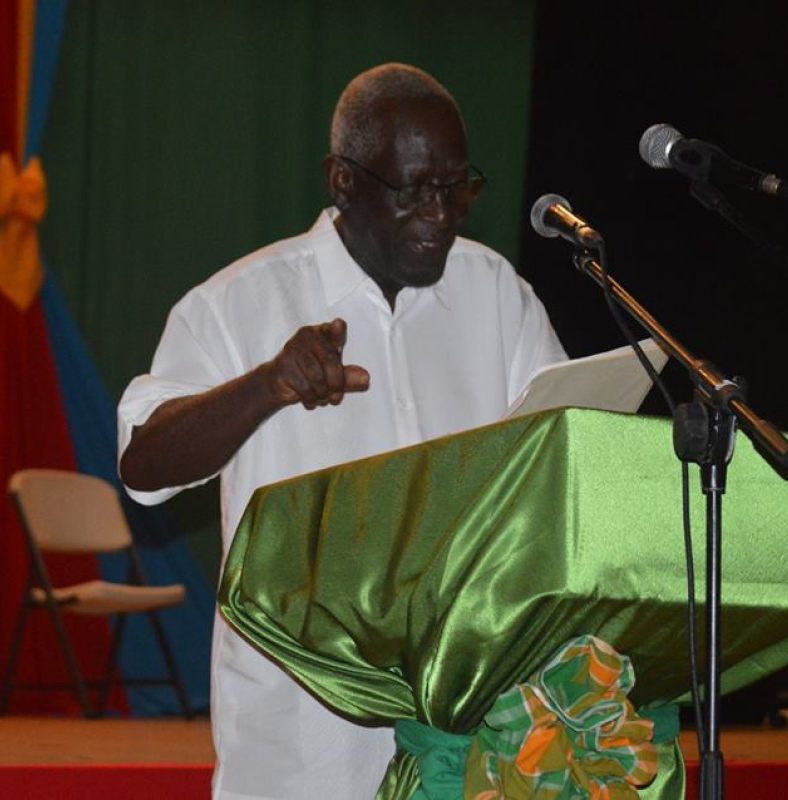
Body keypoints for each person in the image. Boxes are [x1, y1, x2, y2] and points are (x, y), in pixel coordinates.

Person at [117, 63, 567, 800]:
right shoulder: (237, 304)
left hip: (469, 732)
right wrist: (267, 387)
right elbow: (145, 462)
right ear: (342, 181)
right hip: (305, 742)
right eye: (415, 189)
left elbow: (561, 450)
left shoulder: (495, 295)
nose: (443, 212)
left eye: (456, 186)